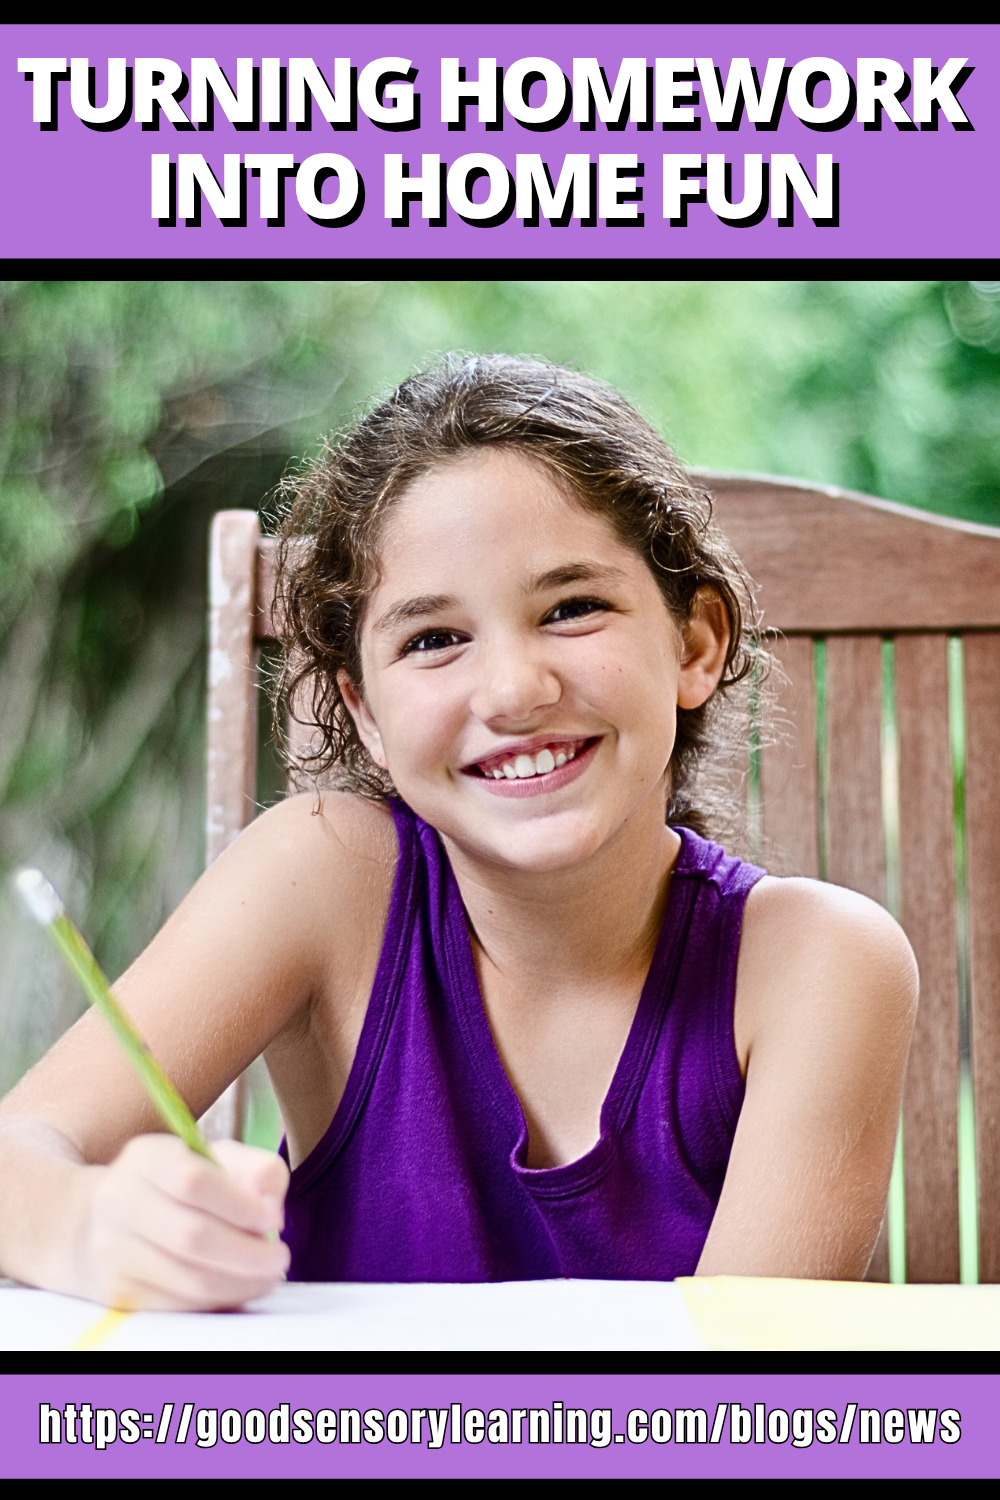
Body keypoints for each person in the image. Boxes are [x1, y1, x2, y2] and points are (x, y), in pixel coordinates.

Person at [0, 354, 917, 1310]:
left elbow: (735, 1415)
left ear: (694, 644)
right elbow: (18, 1160)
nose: (515, 690)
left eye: (572, 608)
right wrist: (88, 1226)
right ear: (364, 714)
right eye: (433, 639)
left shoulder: (817, 965)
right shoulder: (323, 877)